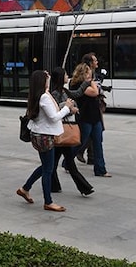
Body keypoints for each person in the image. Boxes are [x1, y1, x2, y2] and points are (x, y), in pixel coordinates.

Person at [16, 69, 77, 212]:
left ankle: (25, 189)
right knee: (48, 170)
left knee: (45, 166)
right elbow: (54, 117)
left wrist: (45, 76)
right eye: (46, 78)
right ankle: (48, 201)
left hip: (39, 135)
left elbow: (51, 111)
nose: (49, 80)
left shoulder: (38, 94)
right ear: (43, 82)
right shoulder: (43, 97)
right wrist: (67, 108)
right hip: (45, 136)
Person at [49, 67, 94, 196]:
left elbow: (77, 93)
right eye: (65, 74)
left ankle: (55, 185)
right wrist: (70, 109)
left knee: (61, 162)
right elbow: (56, 111)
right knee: (63, 163)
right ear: (60, 77)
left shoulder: (64, 90)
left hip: (63, 131)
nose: (67, 76)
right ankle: (84, 187)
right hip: (61, 131)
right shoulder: (55, 94)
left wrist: (86, 82)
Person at [71, 60, 110, 177]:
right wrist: (92, 82)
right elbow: (94, 92)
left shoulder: (87, 83)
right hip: (85, 117)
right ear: (83, 73)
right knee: (81, 141)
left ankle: (100, 169)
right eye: (88, 72)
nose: (91, 74)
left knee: (98, 142)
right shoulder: (78, 85)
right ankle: (67, 161)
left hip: (95, 116)